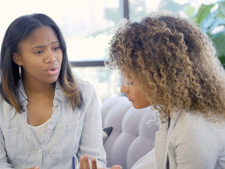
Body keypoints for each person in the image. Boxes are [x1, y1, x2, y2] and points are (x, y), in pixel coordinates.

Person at [82, 13, 225, 169]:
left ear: (160, 76)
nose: (123, 89)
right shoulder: (173, 115)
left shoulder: (194, 127)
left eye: (130, 80)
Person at [0, 13, 107, 169]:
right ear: (17, 58)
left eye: (56, 48)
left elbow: (95, 159)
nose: (51, 58)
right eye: (39, 51)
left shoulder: (85, 93)